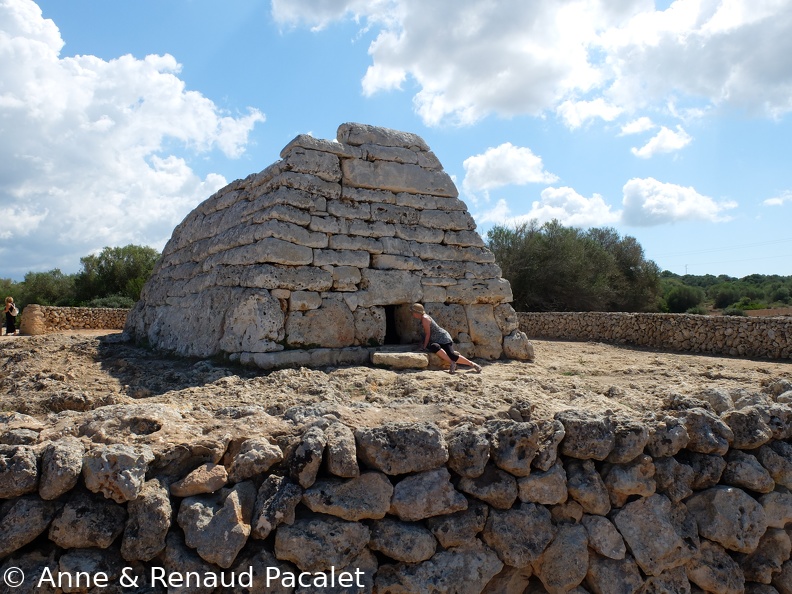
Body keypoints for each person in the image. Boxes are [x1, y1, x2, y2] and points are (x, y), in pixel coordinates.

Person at [411, 303, 482, 374]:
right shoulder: (422, 318)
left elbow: (428, 334)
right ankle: (452, 363)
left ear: (417, 312)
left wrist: (424, 347)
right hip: (436, 340)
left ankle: (472, 364)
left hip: (443, 338)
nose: (412, 314)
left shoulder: (425, 319)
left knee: (452, 355)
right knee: (434, 346)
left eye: (413, 312)